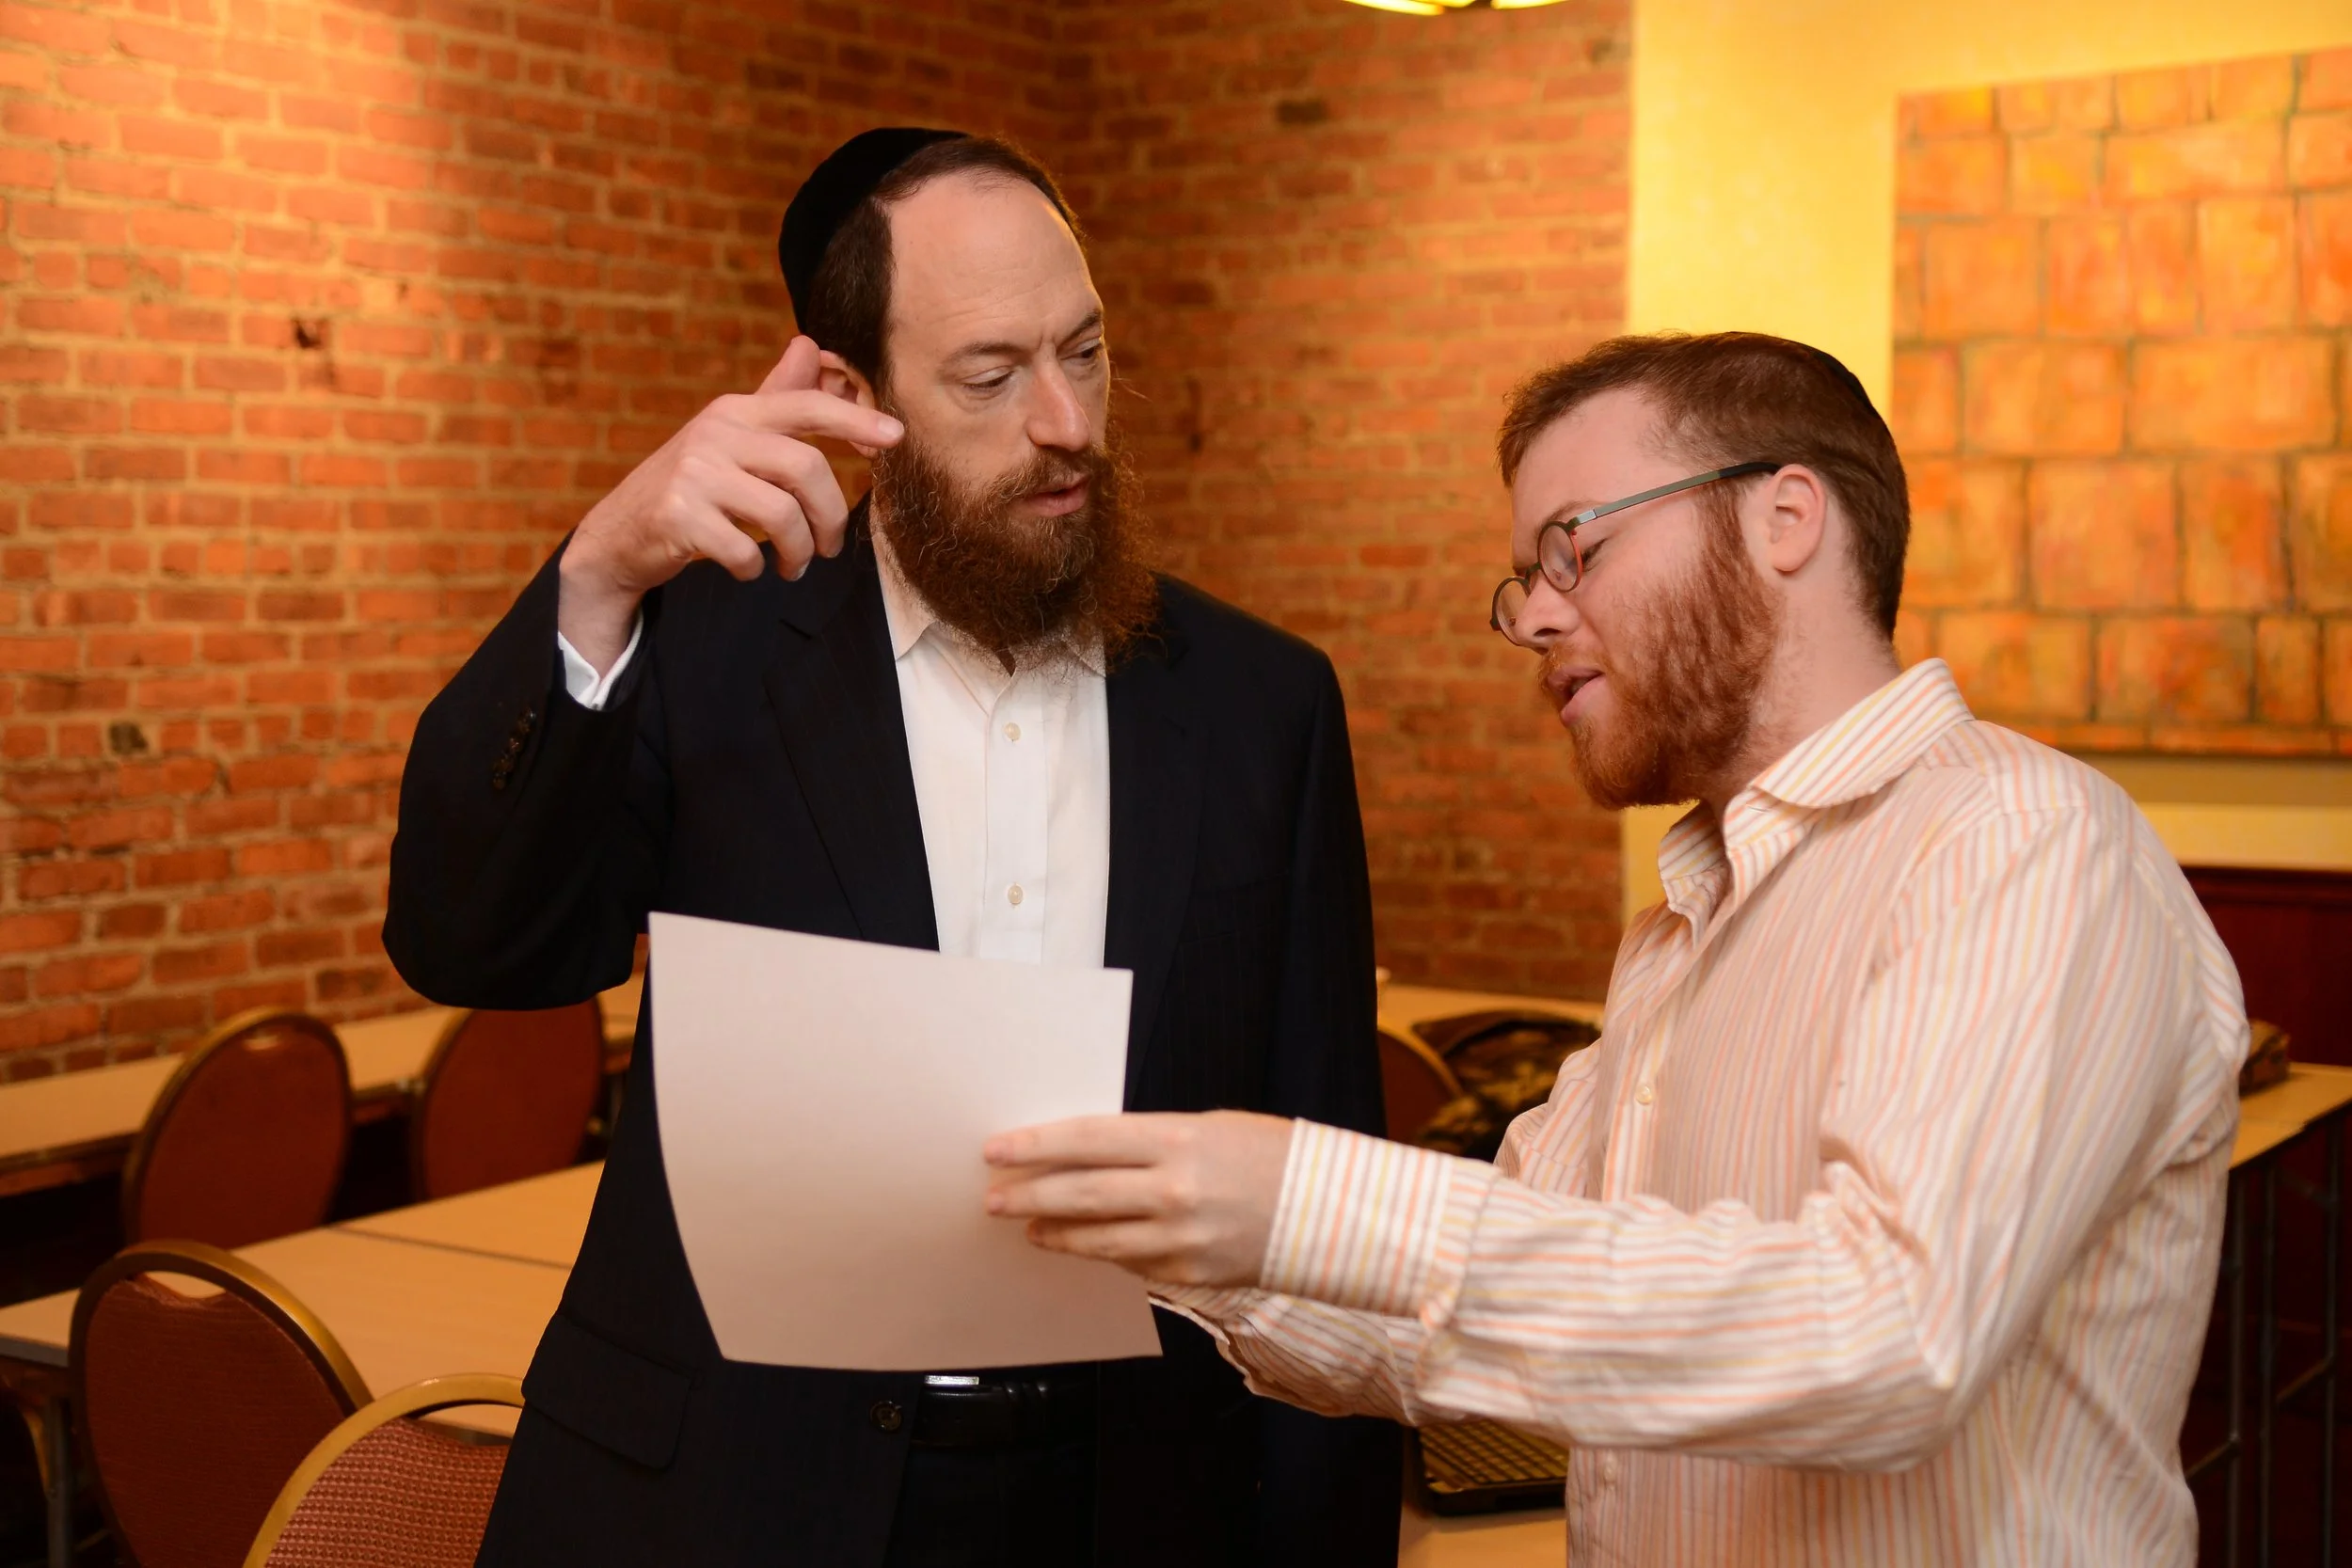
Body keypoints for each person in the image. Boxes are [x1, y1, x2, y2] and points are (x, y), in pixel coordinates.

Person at [987, 331, 2249, 1566]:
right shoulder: (1676, 935)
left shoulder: (2018, 841)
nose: (1535, 618)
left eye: (1574, 548)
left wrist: (1305, 1197)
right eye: (1525, 578)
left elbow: (1890, 1341)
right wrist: (1158, 1226)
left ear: (1786, 519)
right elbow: (1462, 1325)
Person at [384, 129, 1399, 1568]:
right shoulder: (705, 650)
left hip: (1136, 1496)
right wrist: (597, 572)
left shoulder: (1260, 704)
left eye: (1087, 352)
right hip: (737, 1490)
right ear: (854, 399)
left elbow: (1328, 1178)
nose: (1067, 420)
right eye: (990, 376)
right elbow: (476, 940)